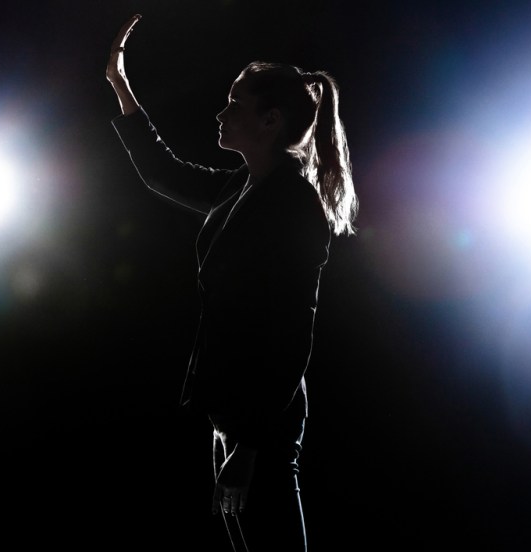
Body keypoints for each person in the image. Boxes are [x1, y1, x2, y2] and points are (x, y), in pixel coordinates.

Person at [106, 14, 357, 551]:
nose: (221, 113)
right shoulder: (246, 187)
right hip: (235, 407)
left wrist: (250, 441)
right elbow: (165, 174)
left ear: (270, 121)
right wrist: (120, 86)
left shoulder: (292, 205)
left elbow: (293, 333)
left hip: (260, 417)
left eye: (235, 105)